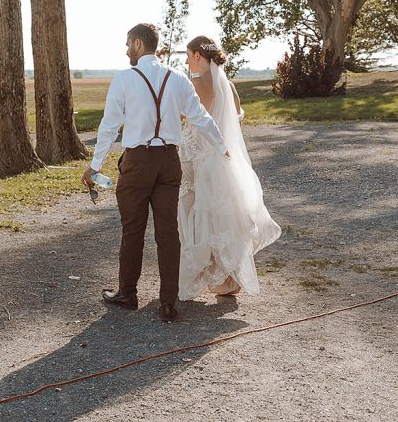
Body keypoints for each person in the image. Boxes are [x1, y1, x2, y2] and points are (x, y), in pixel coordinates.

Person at [82, 23, 227, 322]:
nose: (125, 50)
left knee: (132, 229)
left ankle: (128, 293)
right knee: (168, 233)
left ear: (137, 44)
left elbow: (109, 127)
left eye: (127, 44)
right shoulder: (178, 79)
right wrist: (223, 146)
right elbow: (200, 117)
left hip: (138, 162)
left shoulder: (123, 79)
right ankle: (168, 302)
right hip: (169, 162)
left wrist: (95, 166)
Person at [177, 36, 281, 300]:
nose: (186, 60)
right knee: (223, 219)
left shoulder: (193, 85)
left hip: (196, 159)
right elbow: (235, 122)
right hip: (223, 161)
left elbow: (181, 118)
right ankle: (228, 278)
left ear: (199, 55)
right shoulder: (229, 86)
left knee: (197, 219)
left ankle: (207, 275)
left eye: (188, 55)